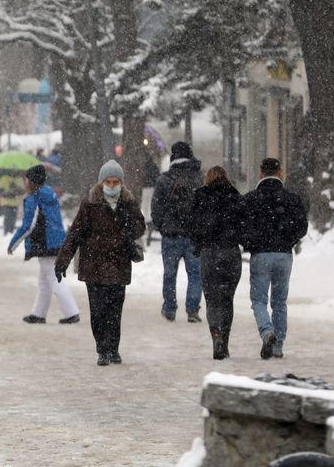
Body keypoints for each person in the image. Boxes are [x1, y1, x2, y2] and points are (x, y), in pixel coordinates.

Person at [55, 160, 146, 366]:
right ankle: (102, 349)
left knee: (115, 310)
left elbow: (140, 228)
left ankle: (113, 349)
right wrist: (62, 260)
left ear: (121, 183)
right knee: (98, 310)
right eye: (108, 181)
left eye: (116, 182)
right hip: (94, 265)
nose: (112, 186)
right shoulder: (90, 203)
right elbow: (75, 234)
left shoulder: (128, 202)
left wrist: (128, 221)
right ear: (101, 182)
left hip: (118, 265)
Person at [239, 158, 308, 360]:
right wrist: (290, 239)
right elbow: (302, 227)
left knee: (259, 300)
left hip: (260, 254)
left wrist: (250, 242)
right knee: (280, 302)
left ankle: (267, 331)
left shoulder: (250, 199)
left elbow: (240, 225)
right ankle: (278, 346)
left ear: (261, 174)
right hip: (284, 255)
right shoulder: (291, 199)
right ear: (280, 173)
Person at [8, 165, 80, 324]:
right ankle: (38, 313)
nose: (24, 182)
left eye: (26, 179)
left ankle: (71, 313)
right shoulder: (49, 194)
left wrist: (13, 243)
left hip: (46, 243)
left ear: (31, 181)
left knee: (53, 279)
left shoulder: (34, 198)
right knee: (44, 280)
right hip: (56, 240)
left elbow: (28, 225)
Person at [189, 166, 243, 360]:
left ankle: (216, 335)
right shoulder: (234, 196)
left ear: (208, 178)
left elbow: (192, 224)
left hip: (209, 252)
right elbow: (243, 224)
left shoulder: (200, 196)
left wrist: (198, 246)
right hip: (230, 252)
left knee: (212, 299)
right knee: (227, 299)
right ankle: (225, 341)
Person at [151, 141, 203, 323]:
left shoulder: (164, 180)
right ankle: (193, 309)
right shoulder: (198, 179)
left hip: (171, 235)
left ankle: (170, 308)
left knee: (170, 273)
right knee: (196, 273)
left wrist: (161, 225)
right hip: (193, 235)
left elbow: (156, 207)